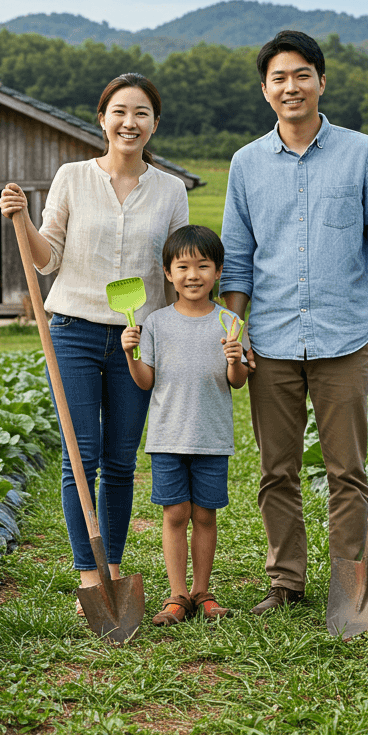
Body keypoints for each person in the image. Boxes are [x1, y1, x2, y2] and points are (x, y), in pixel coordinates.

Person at [219, 29, 368, 615]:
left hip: (342, 334)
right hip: (272, 337)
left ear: (321, 81)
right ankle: (286, 582)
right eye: (279, 77)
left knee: (346, 469)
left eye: (302, 74)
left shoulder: (360, 151)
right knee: (276, 470)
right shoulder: (246, 164)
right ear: (265, 90)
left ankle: (348, 584)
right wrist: (233, 332)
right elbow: (236, 254)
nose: (291, 86)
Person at [0, 72, 189, 610]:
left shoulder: (171, 190)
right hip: (74, 331)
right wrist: (22, 220)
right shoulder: (72, 177)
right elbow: (46, 257)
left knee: (122, 459)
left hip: (138, 337)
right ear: (102, 119)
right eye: (120, 112)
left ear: (155, 124)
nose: (130, 122)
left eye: (142, 113)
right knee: (80, 457)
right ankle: (88, 573)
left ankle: (114, 565)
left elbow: (175, 268)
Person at [121, 225, 248, 625]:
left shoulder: (230, 322)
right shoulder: (156, 323)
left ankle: (202, 592)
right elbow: (146, 380)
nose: (193, 275)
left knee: (206, 515)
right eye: (183, 266)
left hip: (212, 436)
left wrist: (235, 358)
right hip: (168, 436)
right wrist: (130, 353)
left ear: (218, 272)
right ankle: (177, 596)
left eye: (203, 266)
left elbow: (238, 382)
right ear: (167, 273)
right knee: (175, 513)